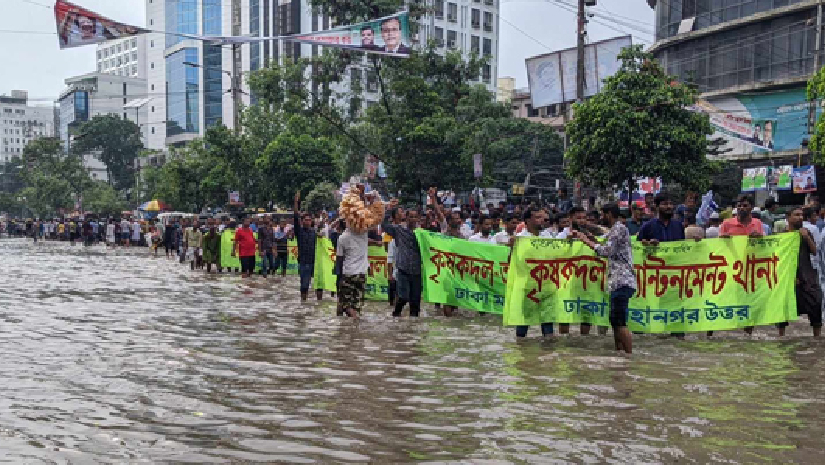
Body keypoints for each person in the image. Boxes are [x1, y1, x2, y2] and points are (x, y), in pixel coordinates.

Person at [570, 203, 635, 353]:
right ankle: (620, 353)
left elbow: (606, 251)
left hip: (622, 281)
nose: (601, 218)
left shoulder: (619, 229)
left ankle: (629, 355)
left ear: (610, 214)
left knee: (619, 322)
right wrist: (590, 236)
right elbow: (608, 246)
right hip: (617, 282)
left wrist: (585, 240)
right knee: (615, 321)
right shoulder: (615, 230)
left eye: (603, 214)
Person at [383, 190, 436, 318]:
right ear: (406, 218)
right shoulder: (398, 230)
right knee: (403, 297)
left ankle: (412, 329)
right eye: (410, 216)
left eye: (415, 217)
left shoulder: (422, 234)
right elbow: (384, 225)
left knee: (415, 304)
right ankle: (395, 315)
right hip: (403, 270)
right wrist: (389, 209)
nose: (412, 219)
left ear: (418, 218)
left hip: (417, 272)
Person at [779, 207, 821, 337]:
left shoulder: (806, 232)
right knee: (782, 312)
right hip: (787, 278)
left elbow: (814, 251)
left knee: (815, 305)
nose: (800, 218)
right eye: (796, 215)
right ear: (788, 217)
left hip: (807, 277)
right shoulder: (781, 235)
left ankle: (817, 340)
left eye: (801, 215)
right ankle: (781, 339)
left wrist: (807, 237)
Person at [513, 207, 555, 338]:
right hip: (527, 285)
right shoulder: (519, 238)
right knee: (523, 322)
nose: (542, 220)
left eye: (543, 217)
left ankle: (547, 351)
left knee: (547, 322)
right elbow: (512, 262)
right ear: (527, 220)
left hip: (546, 284)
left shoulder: (547, 236)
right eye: (538, 217)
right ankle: (521, 348)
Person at [294, 191, 323, 301]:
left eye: (309, 220)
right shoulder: (299, 231)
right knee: (304, 286)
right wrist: (296, 203)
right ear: (302, 222)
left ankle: (319, 303)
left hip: (315, 262)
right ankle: (303, 302)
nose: (308, 221)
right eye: (306, 220)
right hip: (304, 262)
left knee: (319, 285)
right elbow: (296, 216)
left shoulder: (314, 232)